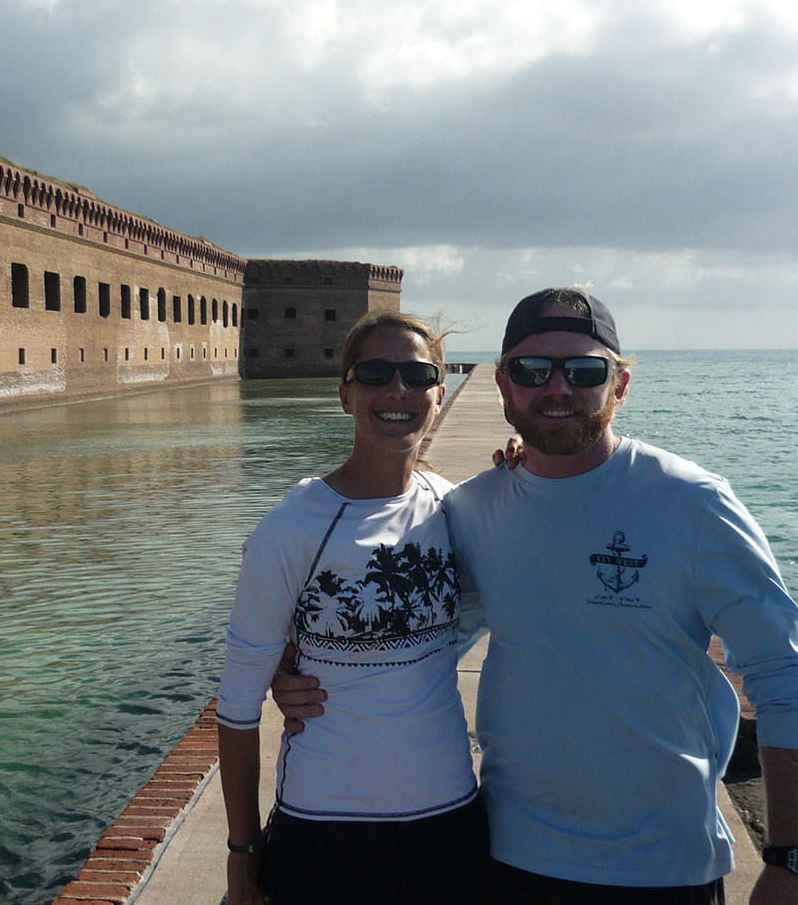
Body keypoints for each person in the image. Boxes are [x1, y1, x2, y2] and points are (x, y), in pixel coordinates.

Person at [273, 287, 798, 905]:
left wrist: (788, 858)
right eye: (531, 370)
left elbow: (782, 671)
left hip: (663, 867)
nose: (558, 388)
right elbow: (424, 639)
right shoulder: (473, 509)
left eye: (584, 370)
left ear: (620, 385)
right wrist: (303, 665)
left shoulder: (694, 502)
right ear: (503, 385)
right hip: (508, 856)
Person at [216, 310, 489, 905]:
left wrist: (525, 469)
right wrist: (242, 853)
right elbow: (236, 708)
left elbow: (514, 588)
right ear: (345, 394)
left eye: (418, 375)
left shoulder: (457, 510)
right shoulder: (291, 528)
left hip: (449, 823)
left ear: (439, 395)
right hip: (322, 829)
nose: (398, 389)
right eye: (375, 373)